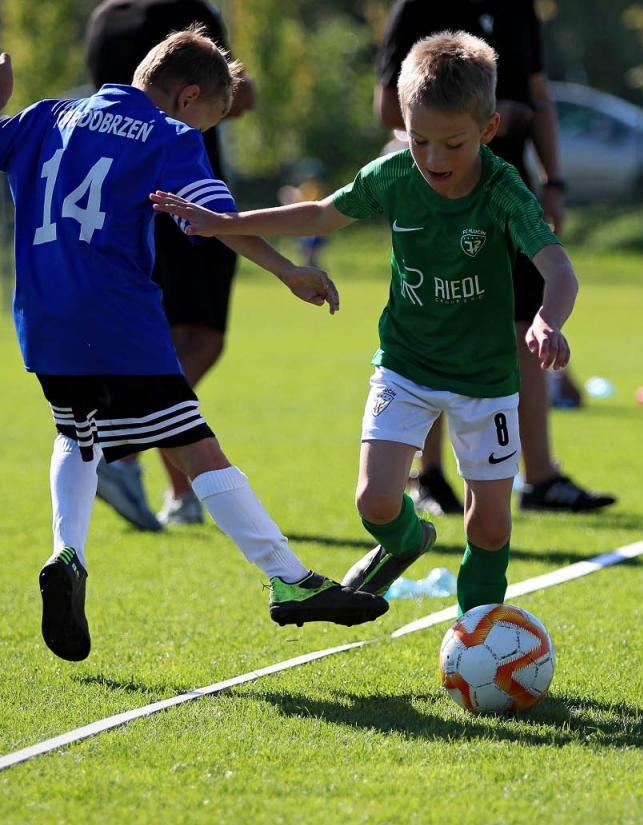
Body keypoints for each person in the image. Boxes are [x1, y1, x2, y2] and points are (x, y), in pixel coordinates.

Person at [0, 31, 387, 662]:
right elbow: (212, 222)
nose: (202, 133)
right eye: (208, 120)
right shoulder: (168, 135)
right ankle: (289, 579)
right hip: (117, 317)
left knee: (77, 432)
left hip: (42, 317)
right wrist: (288, 269)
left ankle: (67, 554)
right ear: (187, 98)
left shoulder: (48, 115)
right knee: (195, 444)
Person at [153, 32, 579, 614]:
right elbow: (320, 214)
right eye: (420, 140)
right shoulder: (394, 175)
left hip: (486, 377)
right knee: (375, 502)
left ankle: (478, 634)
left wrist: (548, 320)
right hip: (406, 363)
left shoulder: (504, 191)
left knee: (489, 527)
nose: (434, 159)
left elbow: (559, 269)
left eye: (452, 144)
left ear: (487, 130)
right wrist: (223, 222)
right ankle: (405, 539)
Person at [374, 0, 612, 515]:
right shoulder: (420, 6)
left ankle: (541, 476)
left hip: (508, 187)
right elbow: (386, 107)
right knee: (439, 322)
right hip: (441, 193)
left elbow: (539, 96)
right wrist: (458, 125)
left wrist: (553, 180)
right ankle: (427, 475)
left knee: (525, 323)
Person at [84, 0, 255, 530]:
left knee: (155, 342)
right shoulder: (187, 13)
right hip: (184, 195)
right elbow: (236, 96)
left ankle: (180, 495)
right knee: (200, 339)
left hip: (119, 204)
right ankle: (120, 450)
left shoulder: (104, 18)